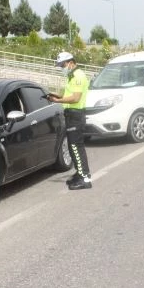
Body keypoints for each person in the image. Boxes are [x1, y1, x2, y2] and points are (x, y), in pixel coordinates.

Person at [47, 52, 93, 189]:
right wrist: (58, 96)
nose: (61, 67)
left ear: (70, 62)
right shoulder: (71, 76)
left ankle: (85, 178)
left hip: (75, 115)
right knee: (73, 147)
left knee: (76, 147)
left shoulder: (78, 76)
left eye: (62, 65)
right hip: (71, 114)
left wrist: (58, 100)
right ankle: (80, 174)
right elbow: (70, 95)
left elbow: (75, 98)